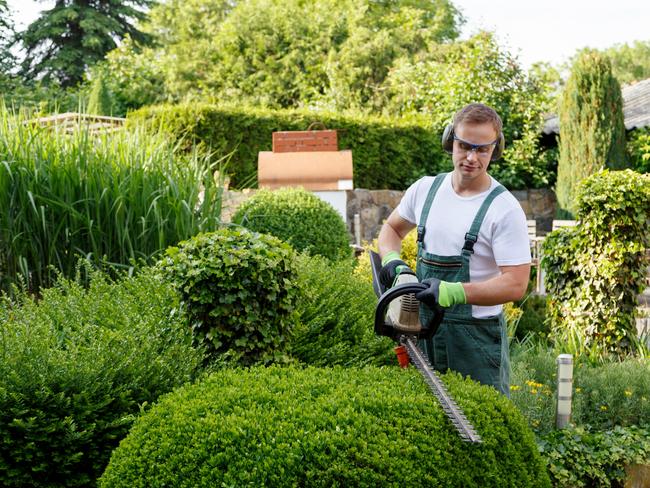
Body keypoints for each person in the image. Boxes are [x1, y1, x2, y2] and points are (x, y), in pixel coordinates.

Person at [377, 103, 531, 396]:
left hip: (474, 341)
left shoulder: (504, 208)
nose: (471, 157)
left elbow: (516, 284)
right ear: (451, 141)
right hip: (422, 331)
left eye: (482, 149)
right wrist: (394, 264)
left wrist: (454, 292)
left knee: (484, 426)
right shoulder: (425, 190)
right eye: (464, 146)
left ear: (494, 150)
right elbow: (392, 230)